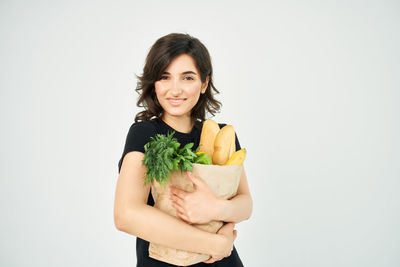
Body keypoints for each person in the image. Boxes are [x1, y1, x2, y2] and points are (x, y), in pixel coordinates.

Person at [114, 33, 253, 266]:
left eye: (187, 78)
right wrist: (215, 244)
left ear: (204, 83)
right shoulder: (144, 134)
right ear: (154, 84)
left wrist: (216, 208)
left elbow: (246, 204)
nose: (175, 89)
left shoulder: (221, 134)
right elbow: (126, 215)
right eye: (164, 77)